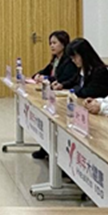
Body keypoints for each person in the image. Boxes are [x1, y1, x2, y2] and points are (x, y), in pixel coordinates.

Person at [30, 30, 78, 160]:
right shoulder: (55, 60)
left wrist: (47, 78)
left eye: (54, 43)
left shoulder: (68, 61)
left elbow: (63, 78)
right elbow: (44, 71)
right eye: (50, 43)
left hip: (63, 95)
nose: (51, 46)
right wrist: (38, 75)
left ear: (63, 44)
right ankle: (45, 146)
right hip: (53, 93)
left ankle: (53, 149)